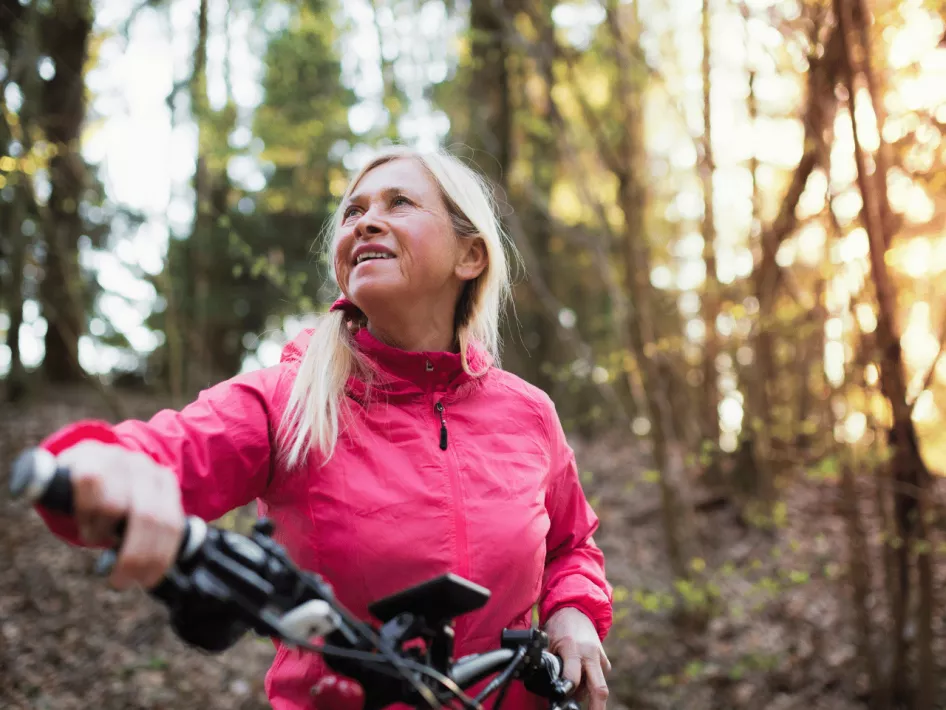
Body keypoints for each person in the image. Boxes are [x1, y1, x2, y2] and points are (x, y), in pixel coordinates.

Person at [33, 145, 613, 710]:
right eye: (353, 212)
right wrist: (99, 465)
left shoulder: (528, 413)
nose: (365, 222)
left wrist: (573, 611)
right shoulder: (288, 400)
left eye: (399, 203)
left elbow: (571, 545)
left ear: (470, 256)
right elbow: (164, 451)